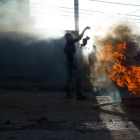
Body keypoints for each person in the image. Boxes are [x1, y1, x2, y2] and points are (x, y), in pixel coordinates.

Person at [64, 26, 90, 100]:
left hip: (70, 64)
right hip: (72, 64)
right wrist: (84, 29)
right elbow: (78, 38)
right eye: (70, 36)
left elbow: (79, 47)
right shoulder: (69, 43)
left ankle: (69, 94)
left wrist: (83, 44)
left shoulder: (70, 44)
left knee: (69, 80)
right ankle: (78, 95)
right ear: (68, 38)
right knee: (78, 79)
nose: (71, 37)